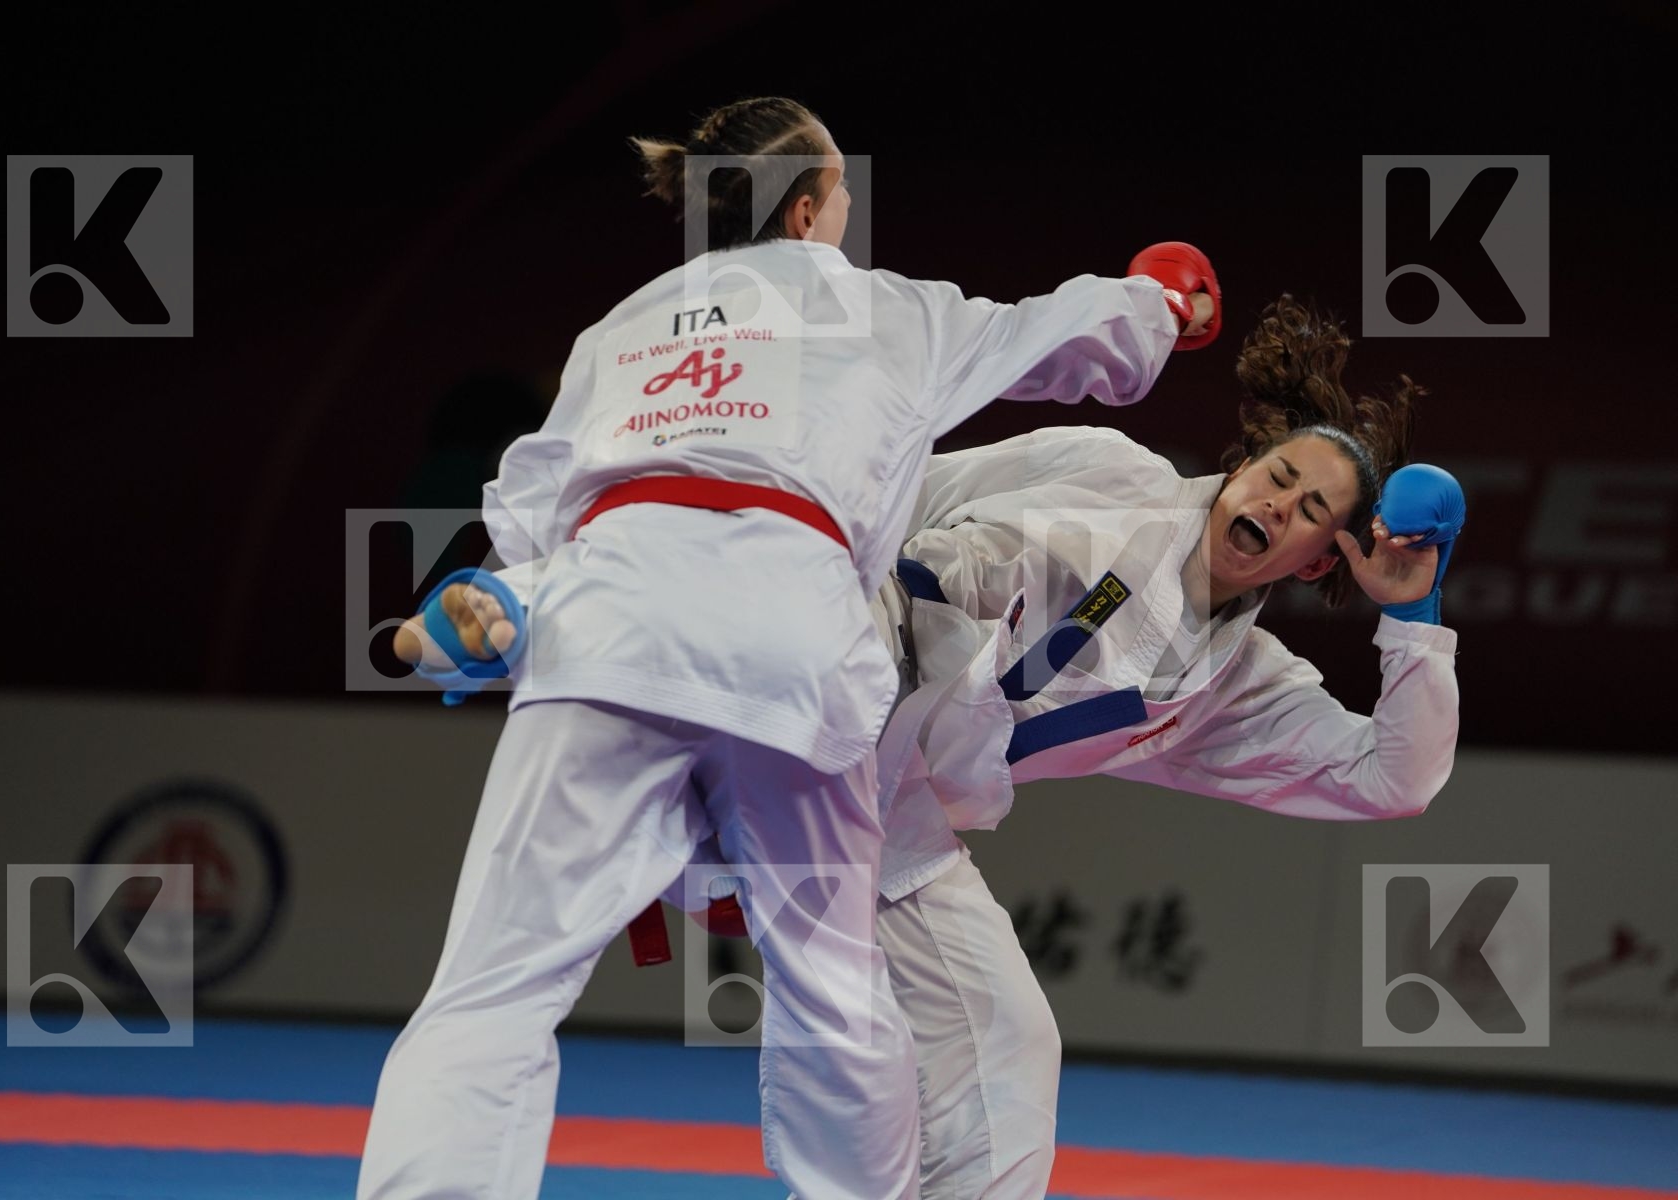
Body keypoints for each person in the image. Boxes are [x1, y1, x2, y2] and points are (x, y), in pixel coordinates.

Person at [357, 94, 1221, 1199]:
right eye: (845, 197)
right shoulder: (885, 309)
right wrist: (1161, 298)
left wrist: (493, 612)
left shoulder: (617, 327)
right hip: (790, 639)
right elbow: (1059, 335)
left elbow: (529, 504)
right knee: (832, 985)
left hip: (605, 621)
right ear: (809, 208)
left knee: (493, 987)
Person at [852, 293, 1464, 1197]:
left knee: (1006, 1049)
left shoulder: (1237, 687)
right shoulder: (1108, 471)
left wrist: (1412, 618)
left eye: (1312, 511)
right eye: (1281, 473)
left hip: (889, 817)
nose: (1281, 501)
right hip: (825, 677)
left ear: (1319, 561)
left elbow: (1393, 778)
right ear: (1246, 461)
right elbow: (904, 491)